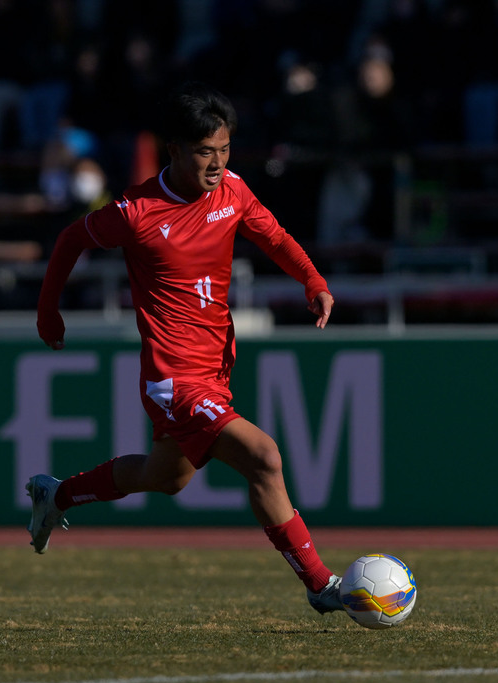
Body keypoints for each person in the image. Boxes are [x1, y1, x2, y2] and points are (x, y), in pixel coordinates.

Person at [28, 81, 344, 616]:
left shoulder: (233, 192)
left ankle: (57, 495)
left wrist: (312, 282)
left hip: (214, 372)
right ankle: (319, 583)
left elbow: (275, 238)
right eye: (205, 152)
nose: (218, 163)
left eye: (224, 150)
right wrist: (47, 310)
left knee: (166, 477)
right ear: (172, 149)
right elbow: (69, 240)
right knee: (264, 458)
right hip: (173, 379)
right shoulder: (136, 212)